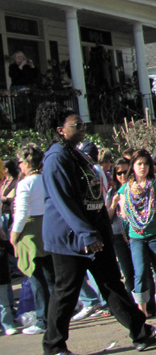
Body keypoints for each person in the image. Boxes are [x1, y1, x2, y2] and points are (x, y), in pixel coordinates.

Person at [35, 102, 156, 354]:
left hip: (94, 232)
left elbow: (93, 196)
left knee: (111, 283)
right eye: (76, 124)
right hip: (70, 237)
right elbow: (63, 201)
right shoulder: (56, 158)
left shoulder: (77, 154)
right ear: (60, 129)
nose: (82, 127)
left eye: (82, 123)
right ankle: (53, 347)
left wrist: (100, 229)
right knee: (66, 291)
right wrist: (86, 234)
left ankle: (142, 333)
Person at [118, 150, 156, 323]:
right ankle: (142, 310)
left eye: (146, 164)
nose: (143, 167)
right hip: (136, 236)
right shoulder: (125, 188)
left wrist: (148, 204)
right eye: (139, 164)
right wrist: (133, 205)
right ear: (133, 166)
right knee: (139, 273)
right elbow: (124, 214)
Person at [10, 144, 54, 336]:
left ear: (27, 162)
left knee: (36, 277)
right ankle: (54, 316)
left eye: (20, 162)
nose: (19, 166)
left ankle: (43, 319)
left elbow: (21, 212)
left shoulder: (25, 183)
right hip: (48, 226)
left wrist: (14, 235)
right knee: (50, 276)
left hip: (31, 231)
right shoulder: (46, 179)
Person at [107, 159, 135, 293]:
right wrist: (114, 204)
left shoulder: (136, 188)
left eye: (125, 172)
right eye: (119, 173)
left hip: (136, 233)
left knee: (141, 269)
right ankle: (131, 297)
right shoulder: (112, 192)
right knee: (127, 271)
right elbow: (107, 216)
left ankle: (146, 300)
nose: (123, 176)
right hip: (119, 235)